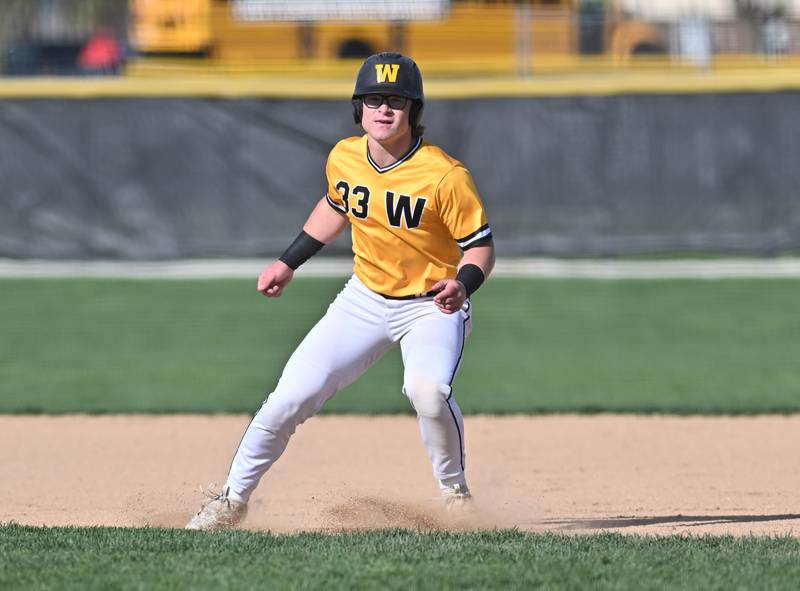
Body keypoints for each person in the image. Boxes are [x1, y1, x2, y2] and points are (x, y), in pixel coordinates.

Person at [186, 52, 495, 531]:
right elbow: (335, 208)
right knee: (287, 398)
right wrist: (288, 262)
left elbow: (480, 249)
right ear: (359, 108)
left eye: (396, 100)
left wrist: (462, 282)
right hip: (365, 299)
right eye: (373, 99)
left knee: (428, 390)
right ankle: (231, 500)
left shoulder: (445, 175)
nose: (384, 110)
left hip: (430, 305)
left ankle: (455, 492)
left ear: (414, 110)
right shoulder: (345, 156)